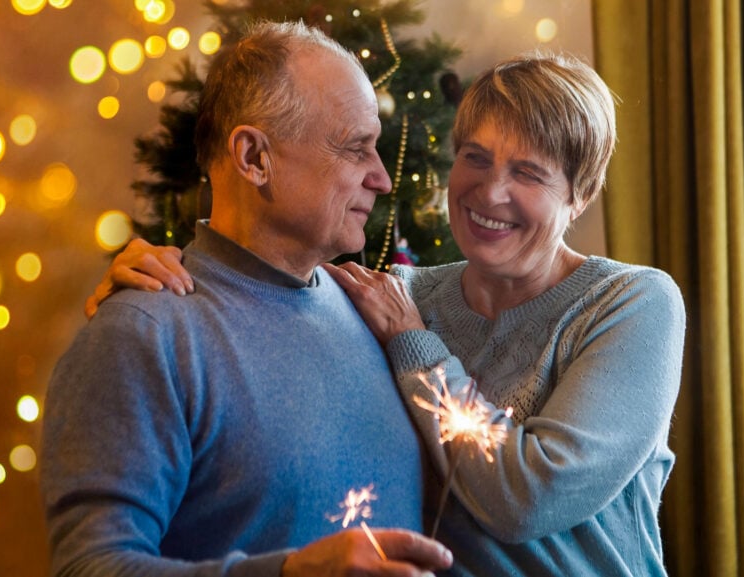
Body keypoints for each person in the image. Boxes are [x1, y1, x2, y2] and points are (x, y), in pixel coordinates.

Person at [90, 53, 686, 577]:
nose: (489, 191)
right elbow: (267, 290)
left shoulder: (631, 304)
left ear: (579, 195)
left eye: (528, 173)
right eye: (475, 158)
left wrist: (413, 343)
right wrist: (159, 284)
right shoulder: (395, 293)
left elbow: (529, 496)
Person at [41, 21, 452, 577]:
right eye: (356, 149)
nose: (381, 178)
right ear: (254, 156)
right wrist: (290, 573)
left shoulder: (379, 307)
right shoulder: (143, 334)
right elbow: (89, 568)